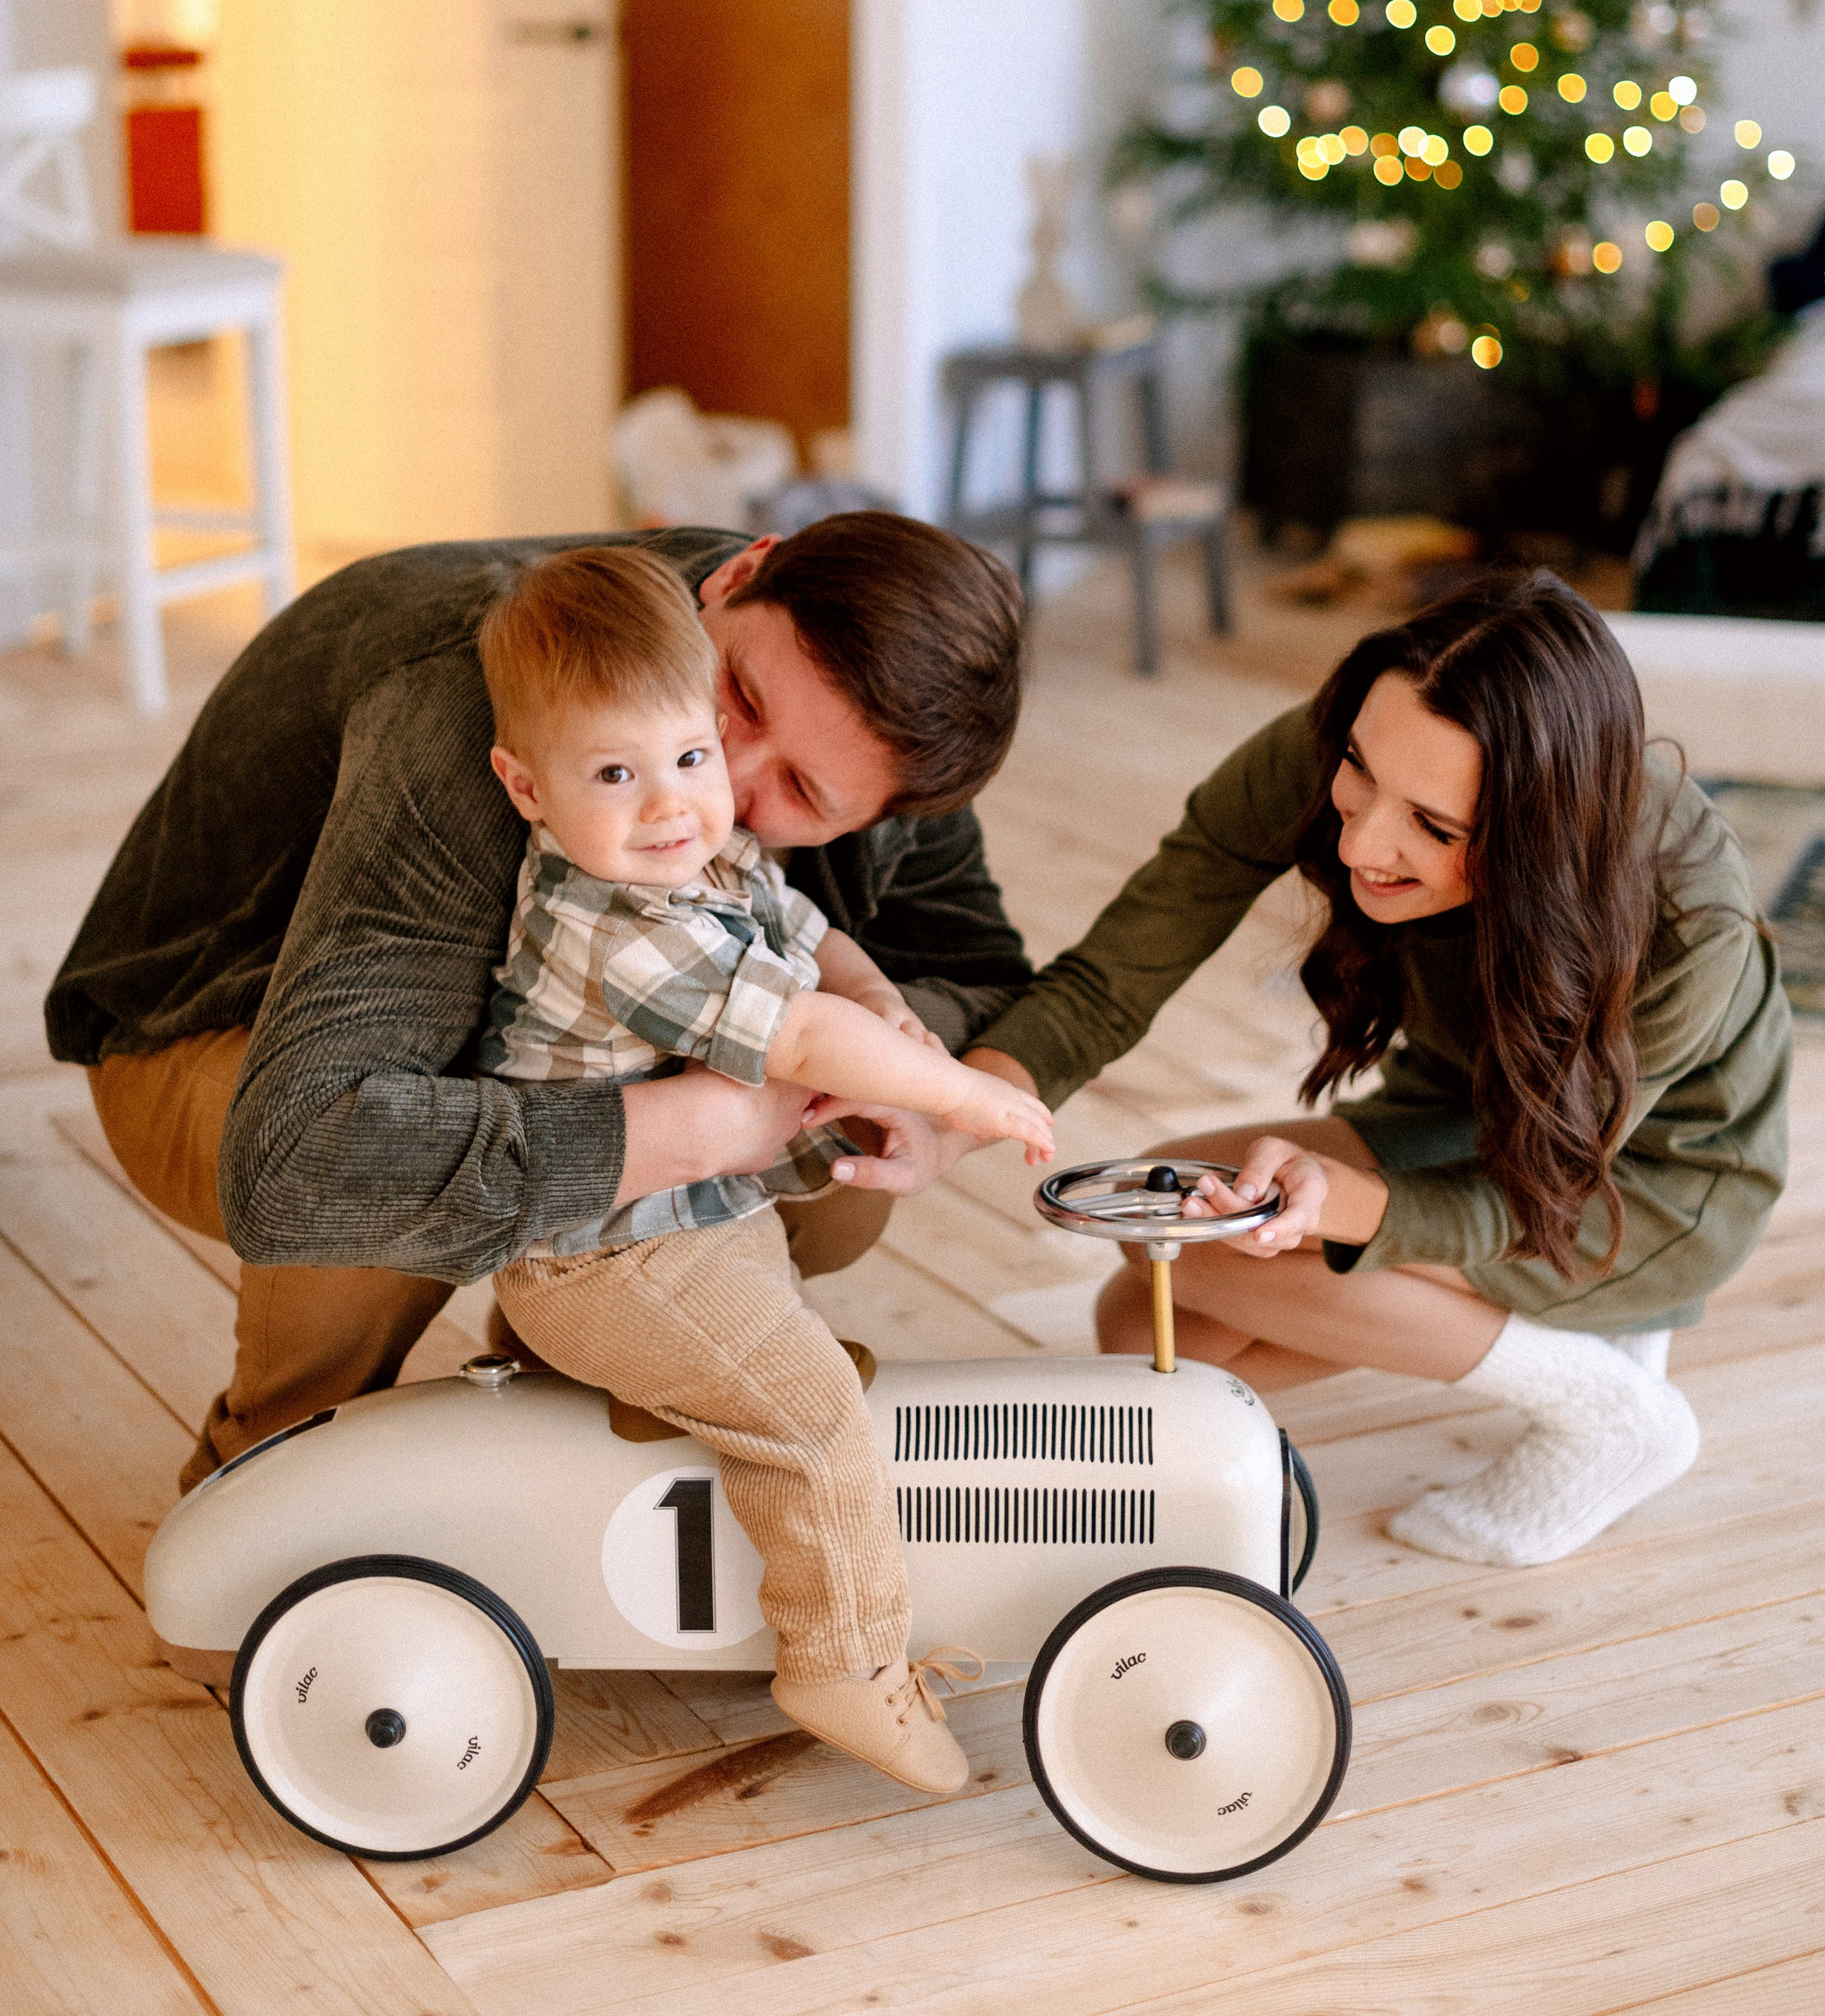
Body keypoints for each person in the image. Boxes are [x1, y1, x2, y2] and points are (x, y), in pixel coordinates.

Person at [47, 515, 1033, 1492]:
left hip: (511, 1033)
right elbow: (299, 1159)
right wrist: (697, 1130)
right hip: (216, 1046)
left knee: (848, 1156)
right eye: (736, 696)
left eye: (804, 795)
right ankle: (260, 1503)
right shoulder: (462, 720)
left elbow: (978, 976)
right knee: (407, 1151)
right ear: (740, 574)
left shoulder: (888, 710)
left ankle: (570, 1384)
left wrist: (894, 1052)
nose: (710, 792)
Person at [968, 570, 1790, 1567]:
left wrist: (1354, 1209)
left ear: (1538, 838)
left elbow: (1542, 1189)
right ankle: (1560, 1349)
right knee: (1147, 1301)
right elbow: (1122, 967)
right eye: (1360, 774)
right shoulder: (1349, 745)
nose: (1362, 840)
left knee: (1208, 1256)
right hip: (1470, 1100)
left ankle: (1609, 1408)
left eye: (1435, 830)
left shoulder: (1686, 915)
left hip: (1639, 1182)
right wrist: (969, 1091)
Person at [475, 547, 1049, 1788]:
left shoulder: (698, 852)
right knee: (812, 1410)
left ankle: (759, 1550)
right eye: (614, 775)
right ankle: (843, 1659)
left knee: (782, 1358)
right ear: (526, 788)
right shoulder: (610, 914)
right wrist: (960, 1089)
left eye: (688, 758)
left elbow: (813, 939)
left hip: (688, 1221)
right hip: (604, 1255)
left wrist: (890, 1015)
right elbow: (794, 1032)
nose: (684, 798)